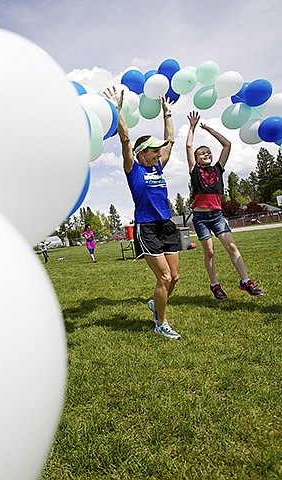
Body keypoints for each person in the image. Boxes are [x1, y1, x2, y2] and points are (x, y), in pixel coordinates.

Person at [104, 87, 180, 340]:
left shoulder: (159, 167)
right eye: (153, 150)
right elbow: (125, 140)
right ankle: (161, 323)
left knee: (174, 278)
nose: (159, 153)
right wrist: (117, 110)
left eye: (159, 151)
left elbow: (170, 140)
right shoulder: (133, 170)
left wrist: (167, 115)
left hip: (166, 225)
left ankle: (155, 304)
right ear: (142, 153)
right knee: (165, 277)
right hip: (146, 227)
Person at [185, 110, 264, 300]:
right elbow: (188, 145)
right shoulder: (194, 171)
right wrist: (193, 127)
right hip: (201, 218)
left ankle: (245, 281)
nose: (206, 154)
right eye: (201, 153)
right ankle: (215, 285)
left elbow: (227, 144)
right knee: (209, 252)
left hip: (217, 216)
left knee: (232, 247)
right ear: (196, 159)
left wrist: (210, 129)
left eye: (208, 152)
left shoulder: (218, 169)